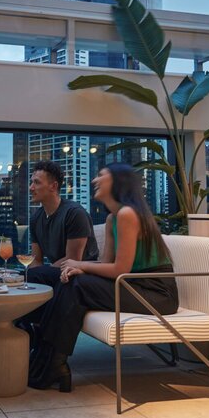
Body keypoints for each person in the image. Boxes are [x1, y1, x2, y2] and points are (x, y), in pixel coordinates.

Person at [28, 163, 179, 392]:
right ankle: (50, 360)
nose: (94, 181)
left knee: (75, 284)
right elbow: (108, 264)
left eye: (101, 176)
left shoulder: (128, 214)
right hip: (130, 284)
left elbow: (119, 270)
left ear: (118, 182)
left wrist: (80, 265)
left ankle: (51, 361)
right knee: (71, 279)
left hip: (155, 293)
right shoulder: (113, 219)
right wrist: (83, 268)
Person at [25, 160, 99, 288]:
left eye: (36, 182)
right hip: (56, 271)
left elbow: (73, 259)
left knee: (31, 275)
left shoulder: (75, 213)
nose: (31, 188)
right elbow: (36, 259)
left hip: (80, 274)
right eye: (32, 182)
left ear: (53, 186)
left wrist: (40, 273)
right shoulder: (36, 218)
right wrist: (36, 275)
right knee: (17, 277)